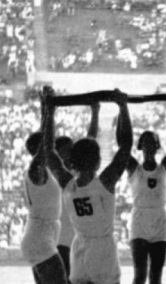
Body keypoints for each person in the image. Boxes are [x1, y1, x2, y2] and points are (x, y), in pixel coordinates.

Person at [45, 87, 132, 284]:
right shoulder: (105, 183)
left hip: (80, 251)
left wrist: (48, 110)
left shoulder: (68, 185)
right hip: (103, 254)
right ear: (97, 161)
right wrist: (123, 106)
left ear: (73, 161)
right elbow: (125, 145)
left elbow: (49, 152)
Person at [123, 94, 166, 284]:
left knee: (156, 276)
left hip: (159, 220)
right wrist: (123, 108)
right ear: (140, 147)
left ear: (157, 146)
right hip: (139, 219)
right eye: (146, 142)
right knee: (139, 275)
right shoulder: (134, 168)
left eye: (152, 143)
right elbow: (122, 142)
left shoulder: (165, 167)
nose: (149, 146)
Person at [20, 93, 68, 284]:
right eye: (47, 146)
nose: (52, 147)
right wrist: (49, 110)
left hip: (41, 237)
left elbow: (46, 139)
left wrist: (46, 108)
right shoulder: (36, 170)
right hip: (40, 240)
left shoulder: (45, 170)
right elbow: (46, 143)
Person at [56, 102, 101, 281]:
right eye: (65, 150)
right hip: (61, 238)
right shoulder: (55, 173)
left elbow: (91, 138)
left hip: (80, 236)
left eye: (71, 150)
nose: (69, 153)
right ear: (57, 153)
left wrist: (95, 112)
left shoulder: (79, 171)